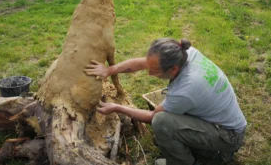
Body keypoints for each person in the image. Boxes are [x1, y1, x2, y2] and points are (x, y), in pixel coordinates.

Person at [84, 38, 247, 165]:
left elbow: (152, 117)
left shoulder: (187, 90)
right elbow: (142, 63)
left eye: (154, 72)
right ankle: (203, 148)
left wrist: (117, 107)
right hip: (219, 119)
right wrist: (109, 70)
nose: (149, 74)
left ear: (174, 69)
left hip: (229, 135)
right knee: (168, 115)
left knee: (162, 122)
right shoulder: (184, 52)